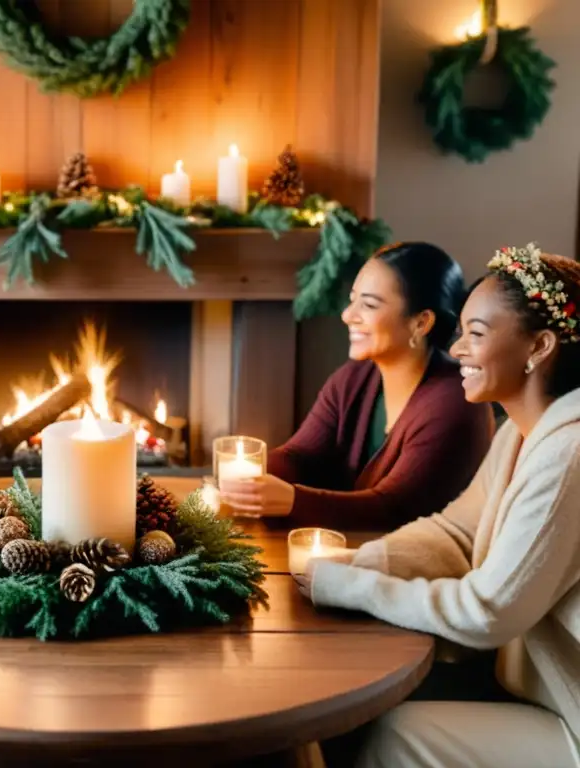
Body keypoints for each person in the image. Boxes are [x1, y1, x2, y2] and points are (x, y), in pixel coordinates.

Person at [298, 244, 580, 767]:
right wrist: (359, 562)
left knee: (393, 733)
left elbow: (487, 612)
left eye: (476, 333)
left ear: (539, 346)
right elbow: (455, 533)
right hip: (529, 689)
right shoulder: (517, 437)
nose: (458, 349)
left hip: (571, 717)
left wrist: (353, 587)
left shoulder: (568, 455)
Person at [222, 242, 494, 530]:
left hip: (421, 566)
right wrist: (248, 472)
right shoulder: (354, 378)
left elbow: (393, 510)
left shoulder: (455, 402)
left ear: (421, 322)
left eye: (369, 305)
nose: (348, 315)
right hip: (355, 552)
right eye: (353, 301)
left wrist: (291, 501)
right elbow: (300, 456)